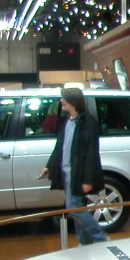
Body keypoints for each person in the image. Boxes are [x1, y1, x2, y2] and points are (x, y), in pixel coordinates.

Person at [38, 88, 109, 246]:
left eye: (64, 99)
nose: (61, 101)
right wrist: (49, 166)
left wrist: (87, 180)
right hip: (66, 172)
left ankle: (99, 237)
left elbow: (91, 153)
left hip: (78, 174)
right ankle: (85, 241)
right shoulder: (64, 121)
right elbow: (60, 147)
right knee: (78, 207)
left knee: (73, 207)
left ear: (72, 101)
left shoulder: (88, 123)